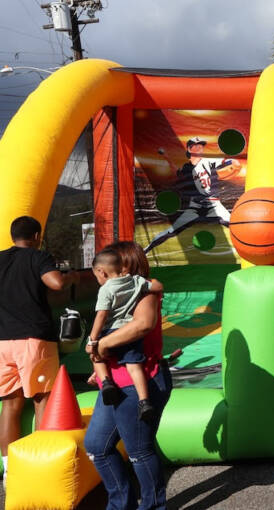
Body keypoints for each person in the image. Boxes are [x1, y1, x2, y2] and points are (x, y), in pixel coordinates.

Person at [84, 241, 172, 510]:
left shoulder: (141, 290)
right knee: (97, 446)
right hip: (113, 383)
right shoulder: (115, 292)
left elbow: (142, 325)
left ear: (125, 266)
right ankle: (121, 504)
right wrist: (99, 367)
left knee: (139, 451)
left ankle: (153, 505)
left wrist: (101, 345)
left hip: (140, 381)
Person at [0, 216, 79, 484]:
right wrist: (70, 278)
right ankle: (42, 465)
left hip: (2, 342)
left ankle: (10, 469)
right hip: (34, 340)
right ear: (36, 235)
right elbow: (55, 283)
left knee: (10, 406)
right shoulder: (37, 256)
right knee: (42, 399)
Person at [86, 248, 162, 421]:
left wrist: (95, 341)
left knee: (95, 355)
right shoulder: (138, 283)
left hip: (113, 335)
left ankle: (106, 381)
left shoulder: (107, 289)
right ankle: (144, 401)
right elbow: (157, 286)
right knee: (97, 446)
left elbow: (103, 315)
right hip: (124, 360)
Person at [143, 136, 240, 253]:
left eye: (201, 146)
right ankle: (145, 251)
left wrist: (232, 161)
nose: (200, 148)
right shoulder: (187, 168)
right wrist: (167, 158)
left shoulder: (208, 161)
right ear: (190, 149)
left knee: (235, 226)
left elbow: (226, 161)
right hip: (195, 207)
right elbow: (176, 172)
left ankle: (253, 245)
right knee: (171, 231)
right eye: (197, 146)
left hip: (213, 204)